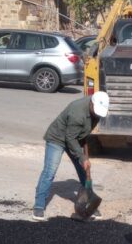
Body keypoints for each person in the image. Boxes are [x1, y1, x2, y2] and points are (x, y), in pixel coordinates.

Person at [32, 92, 109, 220]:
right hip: (57, 139)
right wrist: (82, 157)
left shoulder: (97, 112)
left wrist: (84, 157)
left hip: (74, 138)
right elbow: (70, 138)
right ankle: (39, 206)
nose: (97, 115)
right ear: (91, 103)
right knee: (50, 171)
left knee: (84, 171)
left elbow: (83, 133)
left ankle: (89, 204)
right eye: (96, 112)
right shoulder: (77, 112)